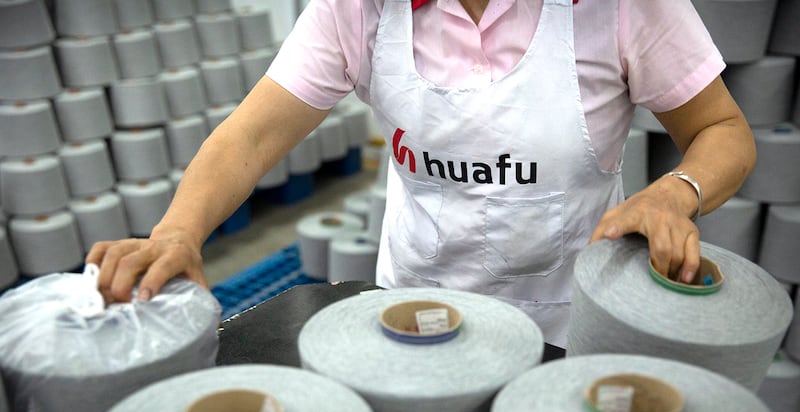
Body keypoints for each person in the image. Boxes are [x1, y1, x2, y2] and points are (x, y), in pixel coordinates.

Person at [87, 0, 756, 348]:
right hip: (412, 317)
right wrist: (179, 230)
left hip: (565, 328)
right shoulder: (361, 10)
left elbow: (722, 132)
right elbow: (254, 135)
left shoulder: (620, 10)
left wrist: (678, 191)